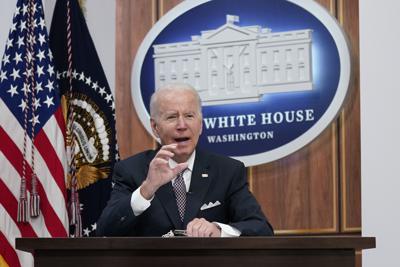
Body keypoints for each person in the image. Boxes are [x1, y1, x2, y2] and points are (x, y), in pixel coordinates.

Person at [96, 83, 273, 237]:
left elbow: (261, 228)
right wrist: (146, 189)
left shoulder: (228, 171)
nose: (182, 125)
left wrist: (218, 230)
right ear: (155, 127)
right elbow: (106, 229)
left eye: (189, 116)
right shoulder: (131, 170)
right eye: (172, 117)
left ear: (200, 124)